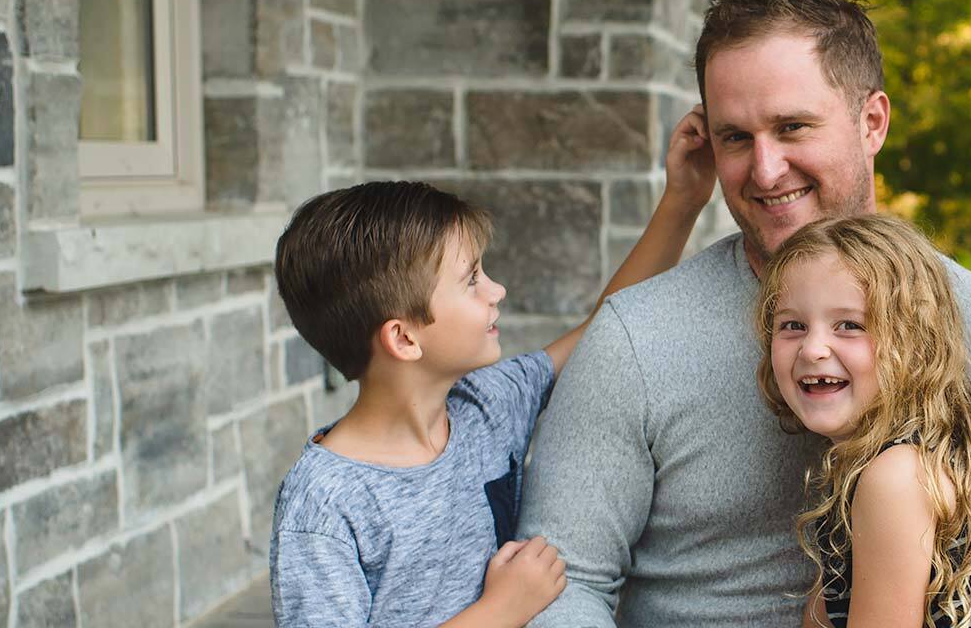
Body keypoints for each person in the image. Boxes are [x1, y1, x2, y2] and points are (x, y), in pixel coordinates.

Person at [515, 0, 971, 625]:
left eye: (792, 127)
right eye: (735, 137)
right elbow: (559, 581)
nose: (765, 170)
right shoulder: (637, 338)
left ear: (872, 121)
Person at [266, 113, 713, 628]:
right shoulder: (324, 505)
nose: (496, 290)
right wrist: (501, 611)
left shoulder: (487, 405)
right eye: (471, 279)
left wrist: (683, 201)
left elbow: (603, 326)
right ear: (405, 338)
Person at [755, 215, 971, 627]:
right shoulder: (881, 462)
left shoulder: (898, 476)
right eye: (792, 325)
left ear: (915, 347)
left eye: (849, 325)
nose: (813, 348)